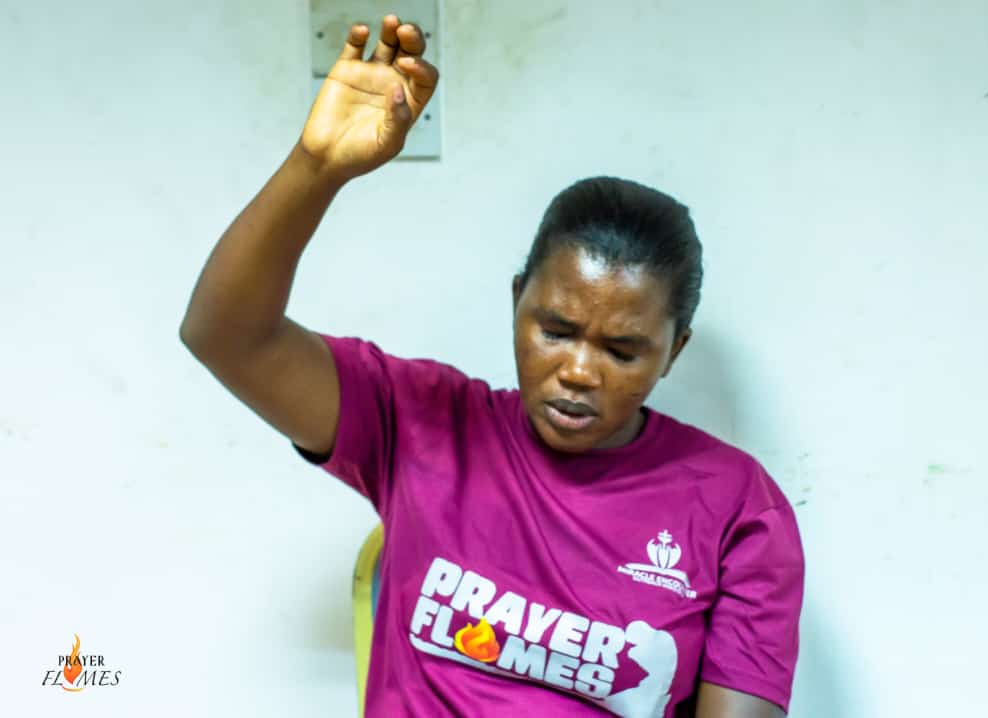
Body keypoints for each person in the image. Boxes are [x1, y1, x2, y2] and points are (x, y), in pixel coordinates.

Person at [180, 14, 804, 718]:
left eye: (621, 351)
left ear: (673, 352)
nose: (579, 371)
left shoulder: (735, 506)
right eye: (556, 331)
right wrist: (316, 168)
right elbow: (225, 335)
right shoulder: (421, 421)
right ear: (517, 303)